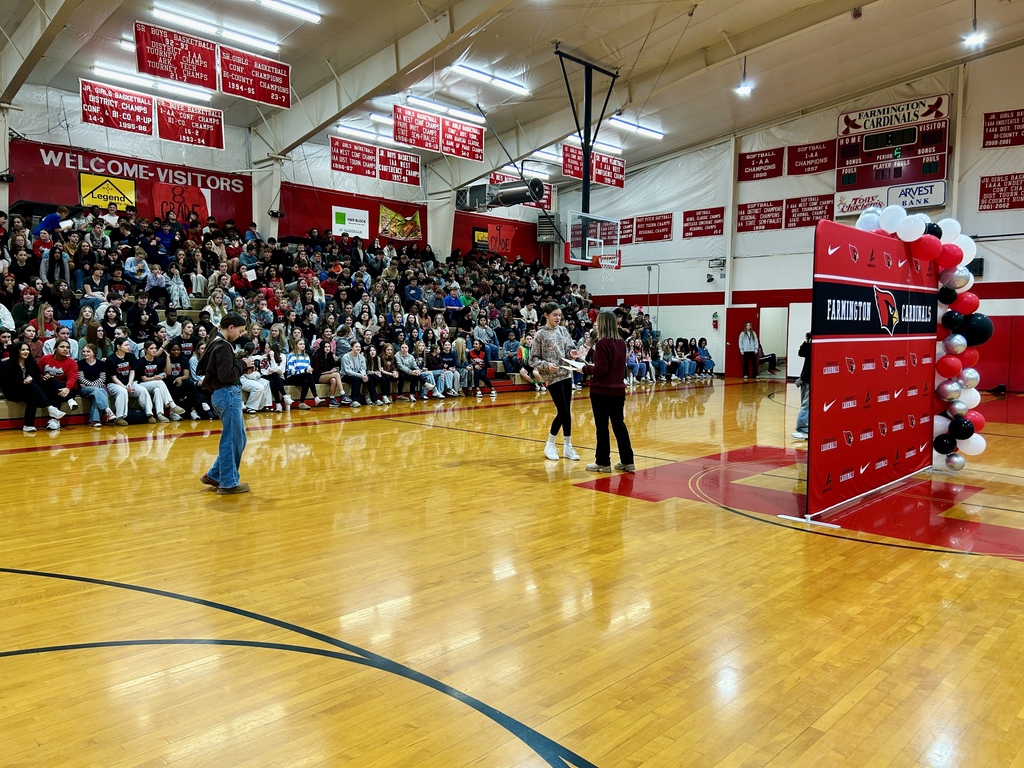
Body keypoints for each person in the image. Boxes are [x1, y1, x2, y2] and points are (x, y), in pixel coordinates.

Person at [196, 312, 252, 494]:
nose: (242, 334)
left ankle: (215, 475)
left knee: (238, 438)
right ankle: (228, 483)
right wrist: (242, 364)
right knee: (232, 439)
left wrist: (239, 365)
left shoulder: (216, 342)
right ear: (231, 328)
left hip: (223, 394)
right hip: (227, 394)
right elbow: (226, 375)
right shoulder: (223, 346)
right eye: (241, 330)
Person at [582, 311, 635, 472]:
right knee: (619, 425)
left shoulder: (602, 343)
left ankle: (603, 462)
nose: (595, 325)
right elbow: (612, 362)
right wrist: (591, 353)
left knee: (602, 427)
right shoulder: (620, 343)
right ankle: (628, 461)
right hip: (618, 391)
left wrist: (584, 368)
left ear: (603, 324)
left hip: (601, 391)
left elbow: (601, 368)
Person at [531, 302, 580, 461]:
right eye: (555, 315)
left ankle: (567, 446)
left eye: (560, 315)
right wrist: (546, 366)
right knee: (564, 411)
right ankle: (550, 444)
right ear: (546, 315)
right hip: (552, 377)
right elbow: (533, 360)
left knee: (566, 412)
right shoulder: (540, 335)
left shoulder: (563, 331)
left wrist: (572, 353)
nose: (558, 318)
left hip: (566, 373)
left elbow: (569, 348)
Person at [0, 340, 67, 432]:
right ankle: (50, 408)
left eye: (27, 349)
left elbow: (37, 379)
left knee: (37, 392)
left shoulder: (31, 363)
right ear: (17, 351)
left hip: (28, 390)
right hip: (12, 391)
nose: (26, 351)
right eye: (23, 349)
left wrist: (35, 380)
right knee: (31, 387)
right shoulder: (6, 364)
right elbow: (5, 382)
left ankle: (28, 425)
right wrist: (23, 382)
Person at [792, 332, 811, 440]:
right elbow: (801, 353)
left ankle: (803, 429)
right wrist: (806, 341)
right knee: (805, 405)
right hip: (805, 380)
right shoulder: (809, 346)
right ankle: (807, 429)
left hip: (809, 380)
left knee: (806, 406)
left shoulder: (817, 348)